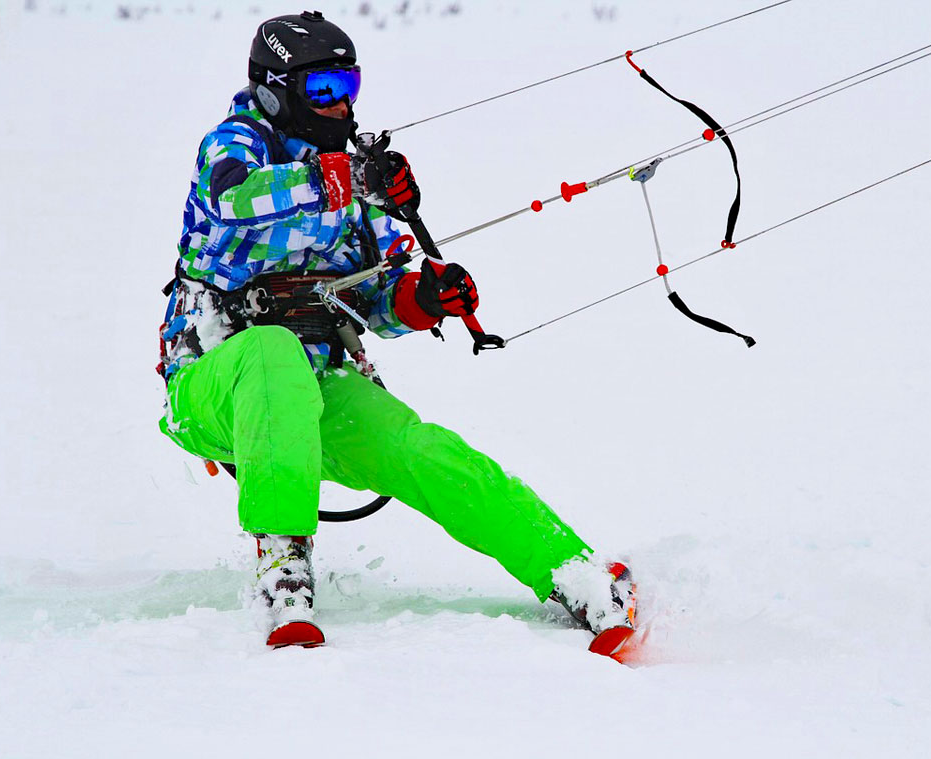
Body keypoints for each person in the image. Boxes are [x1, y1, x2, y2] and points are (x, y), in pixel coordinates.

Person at [156, 11, 635, 655]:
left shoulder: (353, 179)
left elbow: (378, 298)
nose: (339, 106)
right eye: (321, 90)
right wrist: (347, 180)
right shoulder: (237, 145)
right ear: (275, 88)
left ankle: (575, 574)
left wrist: (423, 297)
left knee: (420, 450)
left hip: (317, 392)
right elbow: (233, 197)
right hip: (211, 387)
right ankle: (283, 575)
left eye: (348, 86)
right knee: (270, 354)